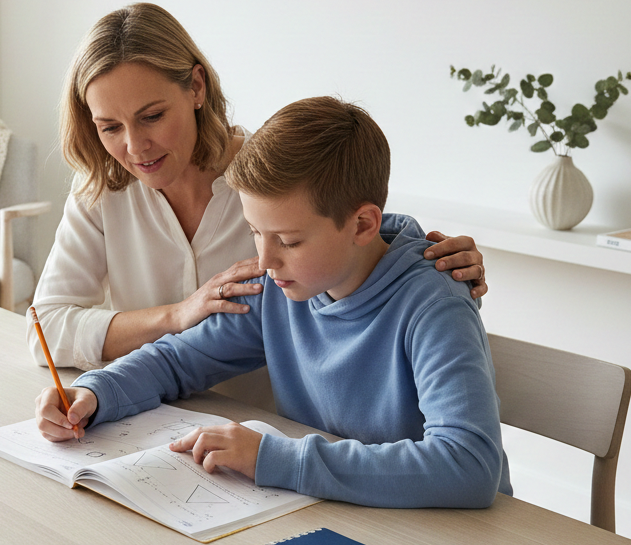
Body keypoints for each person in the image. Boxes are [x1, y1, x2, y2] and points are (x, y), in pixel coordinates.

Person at [35, 96, 512, 508]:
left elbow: (468, 463)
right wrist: (97, 394)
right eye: (255, 233)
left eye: (288, 240)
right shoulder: (282, 291)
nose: (263, 261)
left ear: (364, 225)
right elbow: (177, 360)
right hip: (330, 512)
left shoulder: (434, 303)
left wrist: (275, 457)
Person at [27, 2, 488, 373]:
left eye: (152, 116)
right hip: (155, 420)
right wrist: (178, 314)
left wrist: (427, 261)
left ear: (196, 88)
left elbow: (356, 240)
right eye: (110, 127)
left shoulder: (268, 184)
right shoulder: (101, 190)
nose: (134, 147)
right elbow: (45, 329)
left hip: (271, 437)